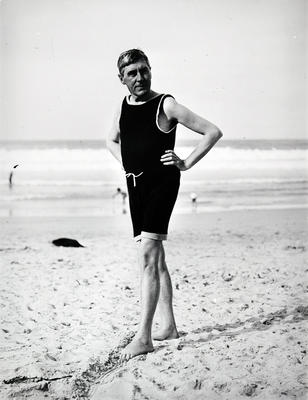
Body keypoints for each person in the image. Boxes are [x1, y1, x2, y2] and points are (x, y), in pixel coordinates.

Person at [106, 49, 222, 360]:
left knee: (147, 255)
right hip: (136, 187)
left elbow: (212, 131)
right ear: (122, 79)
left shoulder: (165, 104)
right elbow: (111, 140)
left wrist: (185, 163)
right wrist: (126, 164)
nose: (139, 77)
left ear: (150, 70)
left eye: (143, 70)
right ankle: (168, 326)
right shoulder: (124, 106)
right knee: (156, 258)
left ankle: (144, 337)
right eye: (132, 73)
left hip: (161, 185)